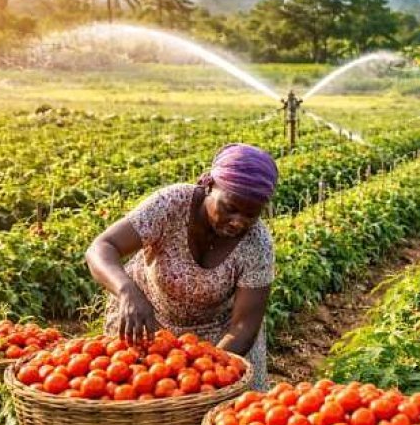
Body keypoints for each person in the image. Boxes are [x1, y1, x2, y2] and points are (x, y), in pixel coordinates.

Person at [86, 143, 277, 389]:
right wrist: (127, 292)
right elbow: (101, 247)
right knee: (133, 400)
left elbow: (243, 326)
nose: (238, 222)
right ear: (209, 186)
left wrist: (204, 368)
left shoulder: (257, 244)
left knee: (225, 416)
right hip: (147, 326)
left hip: (219, 342)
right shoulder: (171, 204)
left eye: (251, 215)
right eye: (230, 208)